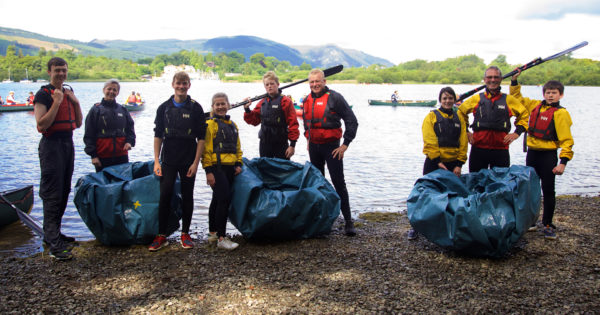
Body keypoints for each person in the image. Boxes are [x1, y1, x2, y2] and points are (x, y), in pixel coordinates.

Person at [510, 70, 574, 240]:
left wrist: (563, 162)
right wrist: (514, 81)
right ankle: (531, 221)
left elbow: (567, 140)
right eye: (548, 92)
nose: (550, 95)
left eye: (554, 93)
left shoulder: (561, 114)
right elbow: (517, 99)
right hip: (532, 154)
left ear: (560, 95)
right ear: (543, 93)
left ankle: (547, 224)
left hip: (548, 156)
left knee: (548, 190)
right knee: (531, 190)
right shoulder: (534, 106)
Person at [149, 71, 206, 251]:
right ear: (173, 84)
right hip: (168, 159)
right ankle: (161, 235)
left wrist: (196, 163)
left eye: (185, 83)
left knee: (187, 195)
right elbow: (158, 136)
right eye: (178, 83)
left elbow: (202, 139)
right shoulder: (163, 108)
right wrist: (156, 161)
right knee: (165, 195)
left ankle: (185, 233)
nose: (181, 86)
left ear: (189, 85)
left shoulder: (196, 108)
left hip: (188, 158)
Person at [33, 57, 83, 260]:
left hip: (67, 144)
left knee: (64, 190)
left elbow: (78, 123)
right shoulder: (43, 95)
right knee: (52, 192)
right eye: (57, 71)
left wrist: (76, 102)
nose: (61, 74)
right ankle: (54, 243)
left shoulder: (69, 92)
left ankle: (54, 233)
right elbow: (42, 125)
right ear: (49, 72)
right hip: (51, 145)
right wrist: (57, 102)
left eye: (64, 70)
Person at [302, 68, 359, 236]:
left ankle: (348, 221)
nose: (315, 84)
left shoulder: (335, 98)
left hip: (332, 147)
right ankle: (321, 220)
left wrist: (345, 144)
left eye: (318, 81)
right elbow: (306, 124)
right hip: (314, 147)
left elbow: (352, 121)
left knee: (338, 182)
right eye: (312, 82)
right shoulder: (306, 100)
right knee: (317, 184)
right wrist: (308, 140)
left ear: (324, 81)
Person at [408, 87, 468, 240]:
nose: (447, 101)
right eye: (444, 98)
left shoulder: (459, 117)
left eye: (450, 98)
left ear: (455, 100)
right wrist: (437, 161)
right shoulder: (431, 117)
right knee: (426, 193)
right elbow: (429, 140)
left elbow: (463, 142)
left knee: (450, 195)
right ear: (440, 100)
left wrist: (459, 164)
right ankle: (416, 227)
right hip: (434, 162)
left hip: (453, 162)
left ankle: (447, 227)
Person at [457, 66, 529, 173]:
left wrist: (517, 133)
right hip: (478, 149)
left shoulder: (509, 100)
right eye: (489, 77)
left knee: (500, 184)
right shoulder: (476, 99)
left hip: (501, 150)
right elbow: (460, 113)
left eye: (496, 77)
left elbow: (524, 115)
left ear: (500, 79)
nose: (493, 80)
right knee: (476, 184)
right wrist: (466, 131)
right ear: (485, 79)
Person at [203, 92, 243, 250]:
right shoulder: (210, 125)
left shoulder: (233, 125)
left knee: (217, 199)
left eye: (223, 104)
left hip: (230, 167)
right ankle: (221, 237)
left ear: (228, 105)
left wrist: (238, 163)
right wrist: (208, 171)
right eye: (217, 104)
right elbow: (205, 150)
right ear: (212, 107)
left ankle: (212, 233)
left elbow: (237, 147)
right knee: (224, 199)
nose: (220, 107)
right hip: (216, 167)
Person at [244, 71, 299, 159]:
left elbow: (293, 124)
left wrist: (292, 145)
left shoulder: (286, 101)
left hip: (281, 144)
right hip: (264, 144)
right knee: (265, 170)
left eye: (272, 84)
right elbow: (254, 121)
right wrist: (247, 109)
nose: (269, 86)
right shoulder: (262, 102)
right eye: (267, 84)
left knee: (282, 171)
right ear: (265, 87)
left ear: (278, 84)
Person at [83, 79, 136, 172]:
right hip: (102, 157)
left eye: (114, 90)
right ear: (104, 90)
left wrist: (129, 142)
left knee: (122, 183)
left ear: (118, 92)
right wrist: (93, 156)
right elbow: (89, 134)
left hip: (121, 156)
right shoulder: (96, 110)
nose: (111, 92)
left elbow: (130, 129)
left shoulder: (123, 110)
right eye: (109, 89)